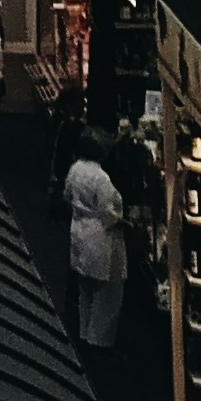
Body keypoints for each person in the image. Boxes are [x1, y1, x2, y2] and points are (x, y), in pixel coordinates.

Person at [62, 141, 130, 350]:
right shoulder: (102, 178)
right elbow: (107, 211)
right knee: (105, 295)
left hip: (79, 229)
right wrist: (124, 222)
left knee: (85, 291)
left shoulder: (75, 169)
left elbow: (66, 196)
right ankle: (97, 342)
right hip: (101, 235)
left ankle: (83, 332)